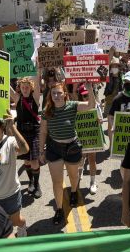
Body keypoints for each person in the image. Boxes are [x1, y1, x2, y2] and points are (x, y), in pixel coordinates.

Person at [39, 82, 96, 225]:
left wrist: (89, 89)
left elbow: (91, 106)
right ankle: (59, 209)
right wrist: (41, 151)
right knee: (57, 181)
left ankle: (74, 191)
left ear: (65, 93)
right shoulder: (46, 110)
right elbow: (43, 132)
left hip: (72, 147)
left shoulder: (72, 105)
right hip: (54, 148)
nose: (56, 96)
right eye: (54, 94)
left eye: (59, 93)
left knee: (73, 175)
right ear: (50, 96)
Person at [10, 76, 43, 198]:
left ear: (31, 88)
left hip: (34, 132)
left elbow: (38, 85)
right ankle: (30, 182)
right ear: (20, 88)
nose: (24, 89)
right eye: (22, 87)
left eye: (27, 87)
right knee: (26, 160)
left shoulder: (35, 98)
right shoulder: (18, 98)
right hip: (22, 133)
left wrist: (37, 69)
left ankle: (36, 183)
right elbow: (8, 89)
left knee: (34, 160)